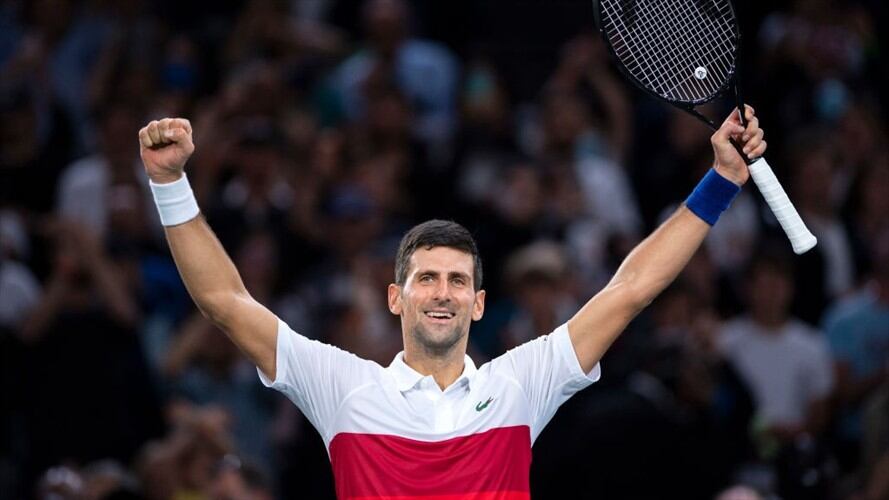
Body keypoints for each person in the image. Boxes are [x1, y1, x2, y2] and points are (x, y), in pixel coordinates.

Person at [137, 105, 767, 498]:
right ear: (395, 298)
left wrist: (722, 181)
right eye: (427, 278)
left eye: (458, 281)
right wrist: (169, 183)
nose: (442, 292)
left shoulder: (523, 383)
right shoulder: (344, 388)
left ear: (480, 303)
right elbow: (225, 301)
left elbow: (629, 290)